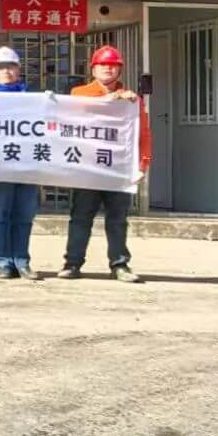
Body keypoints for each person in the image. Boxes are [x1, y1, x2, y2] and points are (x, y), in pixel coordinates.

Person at [58, 45, 150, 284]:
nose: (108, 69)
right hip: (87, 167)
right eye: (103, 65)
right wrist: (109, 99)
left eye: (113, 65)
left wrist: (143, 164)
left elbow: (143, 133)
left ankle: (120, 264)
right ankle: (72, 263)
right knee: (81, 217)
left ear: (119, 70)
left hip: (118, 168)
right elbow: (75, 112)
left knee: (118, 218)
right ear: (93, 69)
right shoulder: (79, 93)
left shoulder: (132, 100)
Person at [0, 46, 40, 280]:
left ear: (19, 70)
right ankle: (3, 262)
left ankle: (22, 261)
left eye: (10, 66)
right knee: (0, 214)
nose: (5, 71)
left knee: (24, 215)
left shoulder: (35, 100)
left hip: (28, 165)